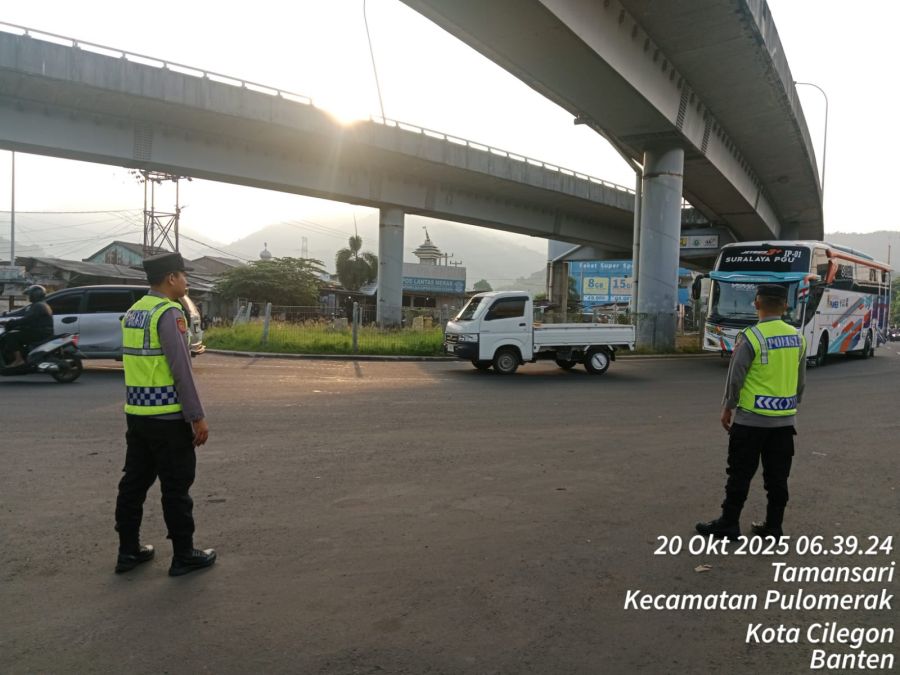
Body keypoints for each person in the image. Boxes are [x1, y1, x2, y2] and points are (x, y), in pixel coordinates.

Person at [113, 252, 216, 576]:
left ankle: (128, 551)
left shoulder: (134, 312)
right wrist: (196, 416)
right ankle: (184, 555)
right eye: (184, 275)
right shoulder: (170, 313)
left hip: (137, 414)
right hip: (169, 418)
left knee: (133, 484)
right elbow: (181, 370)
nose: (186, 281)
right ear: (171, 278)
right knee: (176, 488)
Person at [696, 283, 806, 540]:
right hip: (784, 425)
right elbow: (800, 383)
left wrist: (727, 407)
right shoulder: (798, 337)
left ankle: (729, 524)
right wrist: (788, 406)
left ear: (756, 303)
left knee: (739, 475)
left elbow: (736, 378)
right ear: (785, 305)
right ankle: (773, 527)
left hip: (750, 423)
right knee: (777, 478)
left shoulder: (751, 337)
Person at [0, 285, 54, 367]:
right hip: (40, 331)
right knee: (17, 333)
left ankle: (19, 360)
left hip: (40, 332)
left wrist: (12, 323)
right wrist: (8, 321)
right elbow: (26, 317)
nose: (29, 297)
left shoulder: (39, 306)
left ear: (35, 295)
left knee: (11, 336)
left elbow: (27, 319)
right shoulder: (39, 304)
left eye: (30, 295)